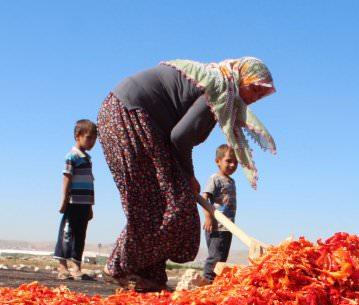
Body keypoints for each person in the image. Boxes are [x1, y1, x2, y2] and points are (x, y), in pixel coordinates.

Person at [97, 57, 276, 292]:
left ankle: (147, 276)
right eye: (253, 89)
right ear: (240, 78)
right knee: (170, 204)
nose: (253, 99)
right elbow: (181, 138)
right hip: (131, 116)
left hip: (126, 113)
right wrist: (188, 175)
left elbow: (179, 136)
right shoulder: (219, 89)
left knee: (158, 201)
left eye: (259, 96)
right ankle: (119, 267)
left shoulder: (218, 84)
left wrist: (184, 174)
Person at [53, 119, 97, 280]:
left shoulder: (87, 158)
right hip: (73, 202)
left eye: (94, 139)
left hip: (85, 204)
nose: (92, 142)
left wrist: (91, 206)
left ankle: (76, 267)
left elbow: (89, 183)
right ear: (78, 136)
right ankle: (62, 266)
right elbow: (67, 178)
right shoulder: (72, 156)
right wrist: (64, 200)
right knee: (67, 233)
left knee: (80, 234)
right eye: (89, 138)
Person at [201, 144, 238, 283]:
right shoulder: (215, 178)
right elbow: (204, 198)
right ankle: (207, 282)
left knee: (222, 257)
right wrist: (208, 218)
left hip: (228, 226)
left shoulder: (231, 181)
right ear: (218, 161)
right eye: (228, 161)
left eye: (235, 162)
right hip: (217, 226)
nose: (232, 165)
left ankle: (215, 284)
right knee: (215, 257)